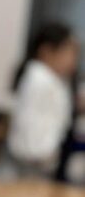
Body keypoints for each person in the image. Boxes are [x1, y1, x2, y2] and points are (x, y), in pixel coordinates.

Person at [7, 22, 81, 178]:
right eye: (68, 52)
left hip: (38, 157)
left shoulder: (50, 79)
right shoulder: (41, 77)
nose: (72, 60)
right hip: (34, 158)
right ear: (46, 51)